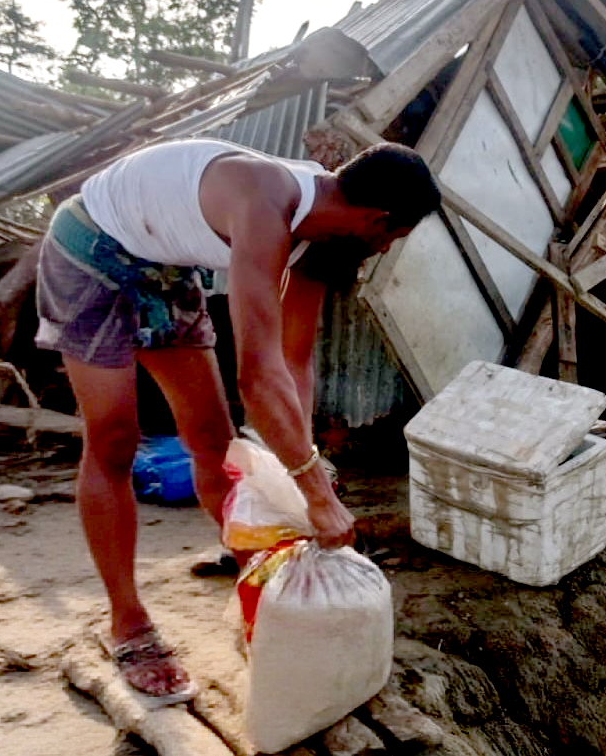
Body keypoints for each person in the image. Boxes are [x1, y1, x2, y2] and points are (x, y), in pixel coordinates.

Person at [34, 138, 440, 701]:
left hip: (162, 262)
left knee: (213, 439)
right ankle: (127, 624)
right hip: (91, 249)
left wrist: (297, 464)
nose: (383, 250)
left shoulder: (323, 240)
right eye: (391, 238)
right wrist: (316, 493)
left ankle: (257, 565)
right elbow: (255, 377)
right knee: (114, 441)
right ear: (379, 219)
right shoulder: (265, 203)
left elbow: (292, 361)